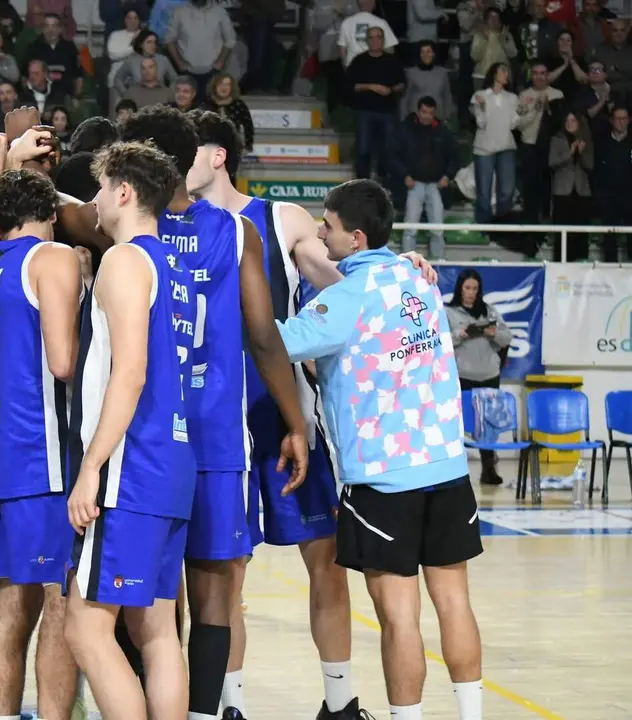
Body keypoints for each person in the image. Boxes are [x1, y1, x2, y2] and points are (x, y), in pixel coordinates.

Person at [186, 110, 438, 720]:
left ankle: (340, 701)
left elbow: (342, 274)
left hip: (283, 417)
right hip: (213, 424)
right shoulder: (170, 224)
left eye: (188, 151)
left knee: (325, 563)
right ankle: (230, 706)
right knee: (226, 579)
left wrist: (397, 268)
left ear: (218, 155)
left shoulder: (280, 218)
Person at [116, 104, 308, 720]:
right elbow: (264, 336)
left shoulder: (120, 229)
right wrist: (296, 422)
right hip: (219, 438)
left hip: (146, 439)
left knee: (140, 599)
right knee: (215, 597)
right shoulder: (235, 231)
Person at [275, 179, 484, 720]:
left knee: (399, 619)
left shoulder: (346, 298)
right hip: (447, 468)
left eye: (329, 226)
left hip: (383, 480)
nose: (321, 233)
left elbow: (276, 341)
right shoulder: (420, 281)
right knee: (455, 603)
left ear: (357, 237)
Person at [65, 139, 197, 720]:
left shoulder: (124, 260)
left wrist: (91, 466)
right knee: (158, 631)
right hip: (173, 464)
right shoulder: (176, 264)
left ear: (123, 192)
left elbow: (131, 372)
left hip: (130, 465)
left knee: (86, 630)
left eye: (100, 188)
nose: (95, 201)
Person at [0, 168, 83, 720]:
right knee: (60, 601)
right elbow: (63, 362)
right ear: (51, 213)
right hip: (42, 453)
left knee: (13, 599)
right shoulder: (52, 258)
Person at [445, 269, 512, 487]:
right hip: (463, 375)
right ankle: (456, 471)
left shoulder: (489, 312)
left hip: (489, 374)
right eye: (467, 288)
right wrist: (461, 334)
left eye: (475, 288)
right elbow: (441, 341)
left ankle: (488, 469)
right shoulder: (449, 312)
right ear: (460, 288)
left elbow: (506, 338)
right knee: (460, 425)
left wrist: (494, 333)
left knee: (488, 426)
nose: (471, 292)